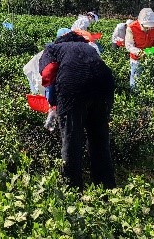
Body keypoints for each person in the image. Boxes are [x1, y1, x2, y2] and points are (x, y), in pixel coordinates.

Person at [39, 31, 116, 190]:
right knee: (99, 136)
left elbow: (47, 73)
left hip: (73, 86)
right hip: (104, 85)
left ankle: (72, 189)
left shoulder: (52, 48)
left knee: (71, 138)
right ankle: (106, 188)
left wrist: (53, 102)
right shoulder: (89, 47)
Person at [125, 8, 154, 91]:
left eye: (150, 27)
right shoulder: (131, 28)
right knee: (135, 80)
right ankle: (135, 95)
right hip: (136, 59)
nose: (148, 29)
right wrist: (140, 52)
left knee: (151, 78)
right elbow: (129, 45)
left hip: (151, 56)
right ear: (140, 23)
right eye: (146, 27)